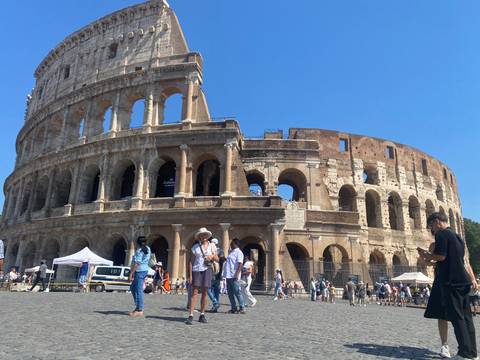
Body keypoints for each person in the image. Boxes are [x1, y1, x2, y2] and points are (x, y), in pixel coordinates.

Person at [418, 212, 478, 360]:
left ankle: (464, 354)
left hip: (451, 282)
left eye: (431, 225)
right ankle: (473, 353)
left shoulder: (442, 234)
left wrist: (427, 256)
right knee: (467, 318)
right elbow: (458, 259)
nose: (432, 229)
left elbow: (441, 256)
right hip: (463, 281)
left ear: (437, 221)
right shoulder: (457, 237)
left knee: (457, 319)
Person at [186, 227, 218, 325]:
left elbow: (217, 258)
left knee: (205, 292)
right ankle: (191, 315)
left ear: (207, 236)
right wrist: (190, 275)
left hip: (207, 270)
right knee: (194, 292)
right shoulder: (195, 247)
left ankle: (202, 314)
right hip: (196, 270)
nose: (203, 236)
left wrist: (212, 256)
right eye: (201, 235)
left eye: (204, 235)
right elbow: (191, 262)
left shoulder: (212, 246)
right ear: (199, 237)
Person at [128, 236, 151, 317]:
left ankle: (139, 309)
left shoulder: (139, 251)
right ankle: (138, 306)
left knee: (138, 290)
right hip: (144, 270)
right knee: (133, 288)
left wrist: (131, 273)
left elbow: (137, 263)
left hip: (139, 271)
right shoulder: (147, 248)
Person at [223, 238, 246, 313]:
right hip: (228, 275)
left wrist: (237, 274)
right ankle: (233, 308)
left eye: (231, 244)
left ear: (235, 244)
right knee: (230, 293)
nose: (230, 245)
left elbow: (240, 264)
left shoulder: (239, 252)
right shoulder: (232, 252)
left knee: (237, 292)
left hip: (234, 276)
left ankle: (242, 307)